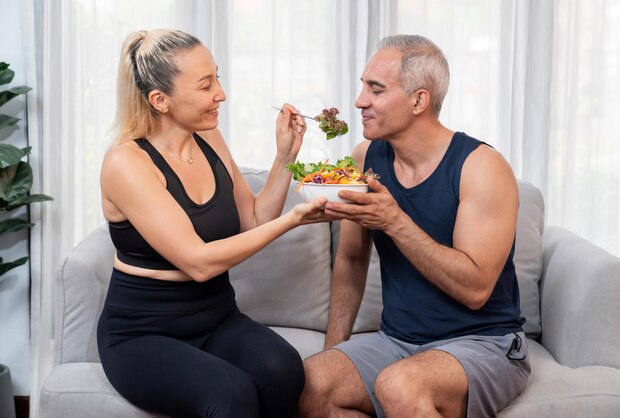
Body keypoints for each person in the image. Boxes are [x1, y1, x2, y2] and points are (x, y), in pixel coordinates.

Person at [96, 29, 329, 418]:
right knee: (232, 395)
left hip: (216, 317)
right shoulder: (126, 163)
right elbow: (199, 262)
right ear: (160, 100)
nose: (220, 93)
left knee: (284, 370)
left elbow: (253, 219)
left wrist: (285, 155)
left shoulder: (209, 137)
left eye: (217, 77)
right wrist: (294, 220)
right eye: (206, 85)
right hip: (142, 332)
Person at [298, 34, 531, 418]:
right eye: (362, 87)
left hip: (484, 342)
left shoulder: (482, 167)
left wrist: (394, 222)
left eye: (375, 89)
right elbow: (353, 260)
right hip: (398, 341)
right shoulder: (365, 158)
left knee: (400, 385)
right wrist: (334, 351)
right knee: (310, 382)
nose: (359, 101)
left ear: (418, 100)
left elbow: (475, 291)